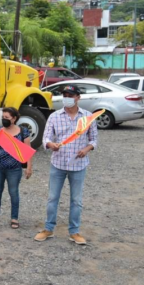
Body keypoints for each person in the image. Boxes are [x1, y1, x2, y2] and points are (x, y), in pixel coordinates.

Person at [35, 85, 98, 245]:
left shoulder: (87, 117)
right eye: (64, 94)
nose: (67, 98)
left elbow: (94, 139)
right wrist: (51, 144)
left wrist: (87, 148)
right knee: (52, 198)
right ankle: (48, 229)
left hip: (78, 165)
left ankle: (74, 232)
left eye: (70, 95)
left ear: (78, 97)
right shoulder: (54, 116)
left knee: (76, 200)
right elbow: (46, 138)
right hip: (58, 164)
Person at [0, 107, 33, 229]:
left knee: (13, 192)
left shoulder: (23, 131)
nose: (4, 119)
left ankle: (14, 217)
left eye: (7, 117)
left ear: (14, 118)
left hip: (14, 168)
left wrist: (29, 167)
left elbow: (28, 151)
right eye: (3, 117)